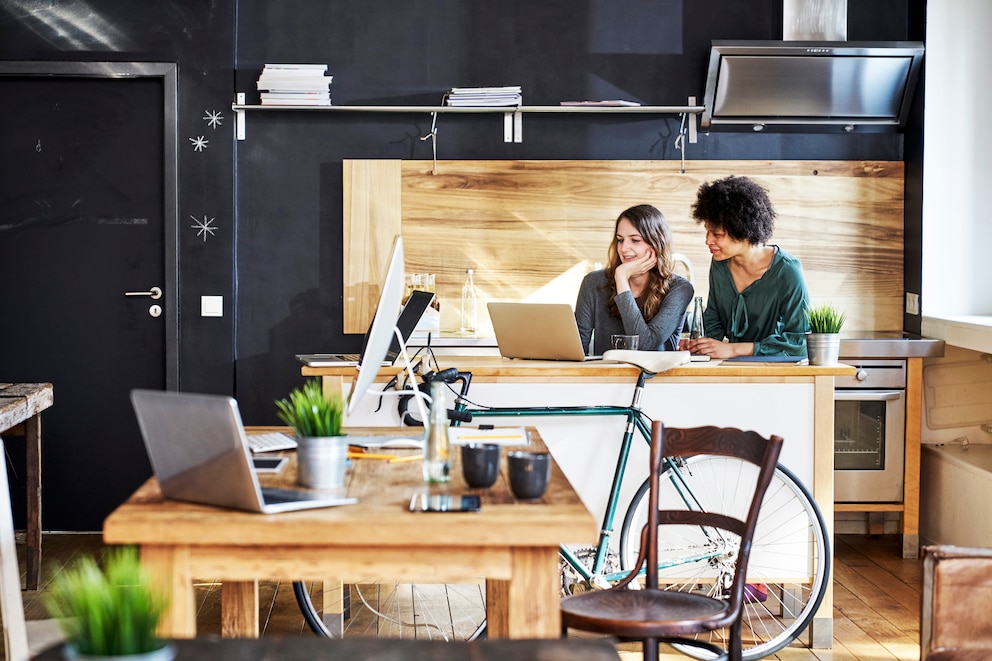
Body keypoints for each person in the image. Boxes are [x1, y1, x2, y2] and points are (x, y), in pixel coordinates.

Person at [683, 175, 810, 359]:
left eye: (717, 234)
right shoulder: (719, 263)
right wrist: (700, 345)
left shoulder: (788, 271)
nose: (708, 240)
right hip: (731, 369)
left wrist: (734, 349)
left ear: (743, 230)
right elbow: (713, 318)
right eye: (707, 231)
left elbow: (800, 342)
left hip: (777, 374)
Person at [575, 204, 694, 355]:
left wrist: (621, 278)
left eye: (635, 240)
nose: (624, 248)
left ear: (656, 243)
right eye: (620, 240)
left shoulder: (679, 289)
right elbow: (577, 349)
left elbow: (644, 345)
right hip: (606, 377)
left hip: (655, 378)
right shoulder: (593, 283)